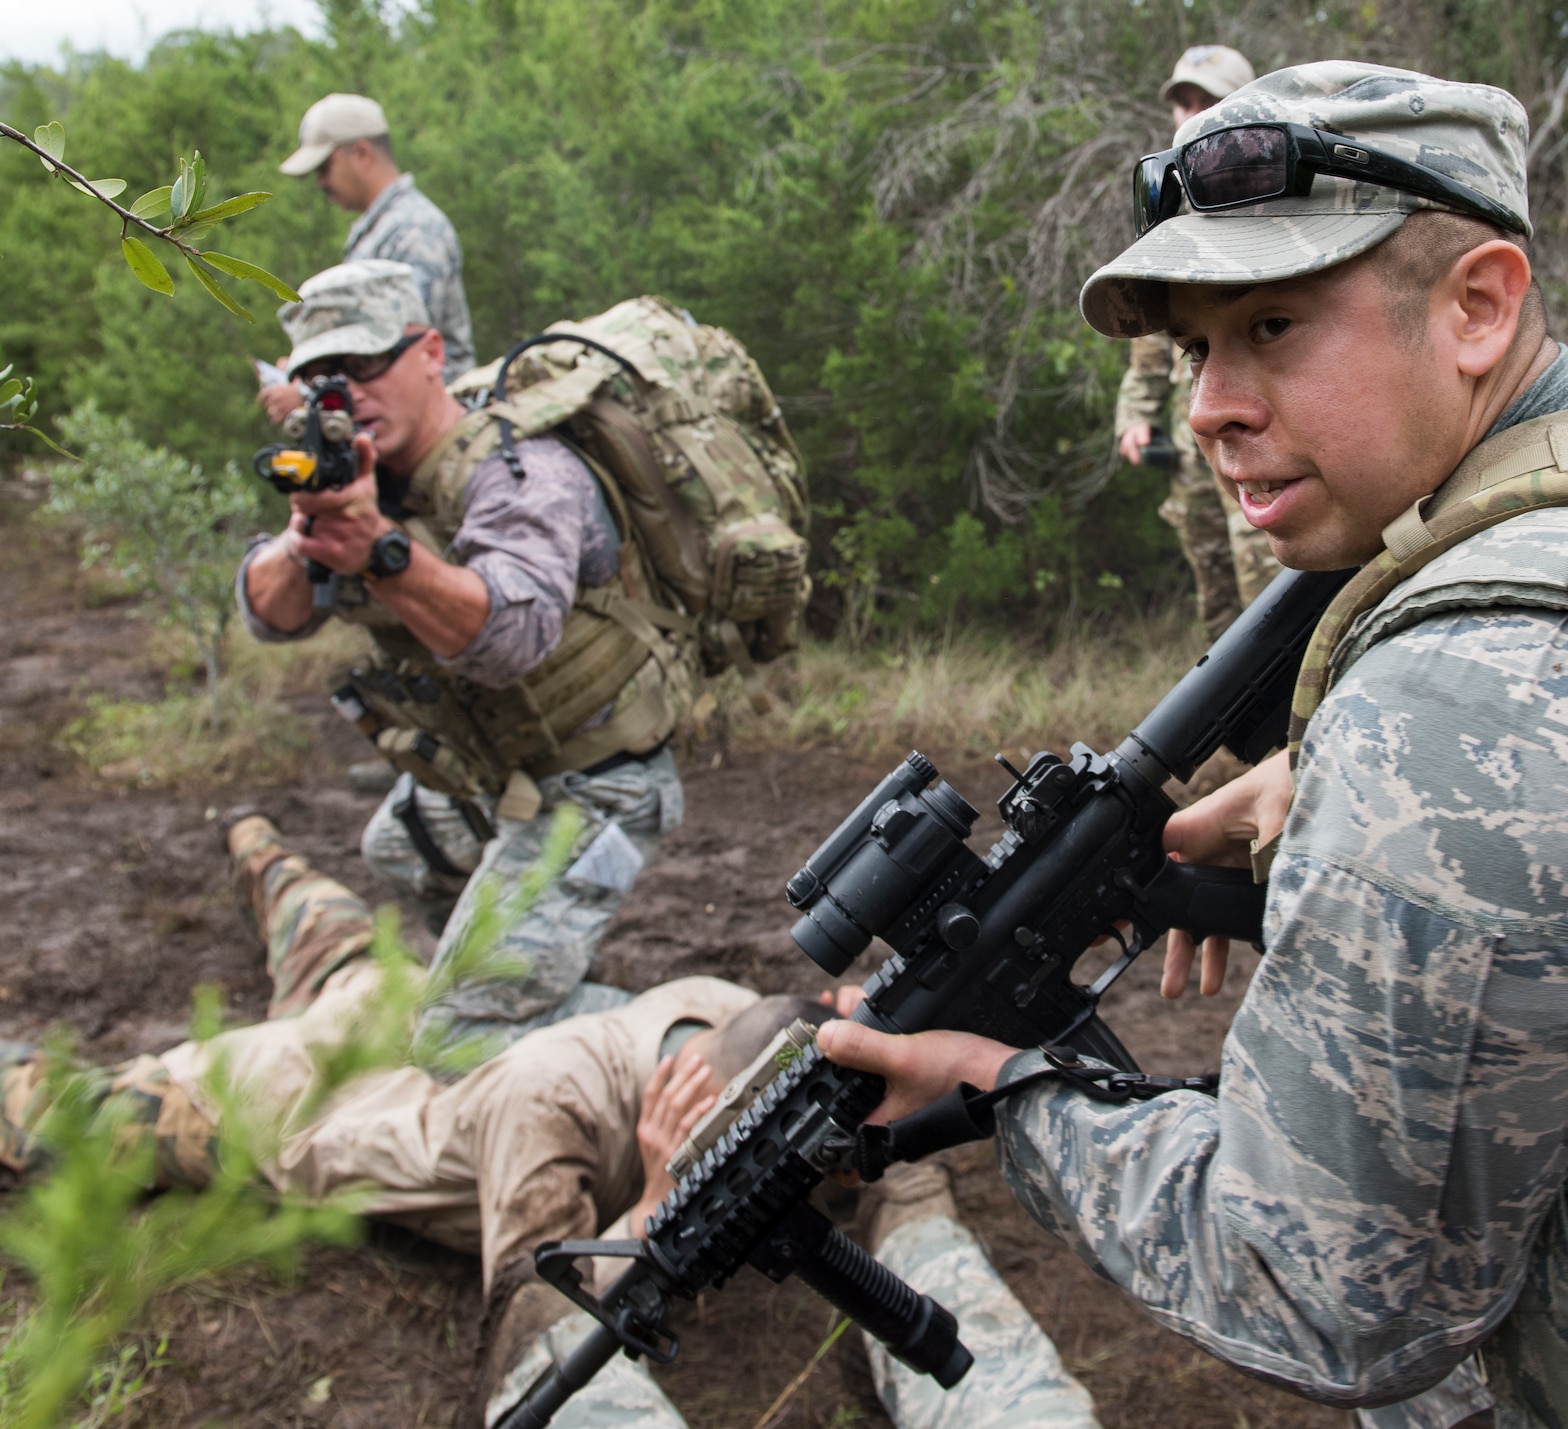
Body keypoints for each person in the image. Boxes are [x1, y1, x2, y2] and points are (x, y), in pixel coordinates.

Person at [819, 60, 1568, 1426]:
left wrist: (1000, 1091)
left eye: (1272, 326)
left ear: (1478, 308)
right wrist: (1321, 783)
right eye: (1199, 346)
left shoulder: (1447, 714)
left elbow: (1327, 1297)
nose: (1209, 405)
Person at [0, 813, 1103, 1429]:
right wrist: (660, 1202)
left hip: (425, 1031)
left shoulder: (793, 1055)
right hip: (304, 1098)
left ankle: (255, 837)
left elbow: (918, 1232)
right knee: (66, 1110)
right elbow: (533, 1304)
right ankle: (250, 836)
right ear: (675, 1110)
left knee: (336, 943)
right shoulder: (554, 1103)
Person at [238, 260, 698, 1061]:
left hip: (601, 783)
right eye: (320, 379)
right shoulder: (366, 475)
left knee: (454, 1035)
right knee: (401, 845)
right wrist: (306, 534)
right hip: (500, 767)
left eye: (362, 367)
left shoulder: (523, 469)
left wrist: (379, 554)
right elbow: (269, 615)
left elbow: (512, 638)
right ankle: (529, 980)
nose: (345, 394)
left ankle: (721, 1048)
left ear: (429, 352)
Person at [1113, 45, 1278, 637]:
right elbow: (1153, 334)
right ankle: (1228, 730)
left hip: (1263, 435)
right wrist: (1135, 414)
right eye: (1183, 102)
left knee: (1271, 596)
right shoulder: (1167, 208)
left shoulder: (1281, 193)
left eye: (1206, 101)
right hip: (1195, 446)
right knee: (1216, 601)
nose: (1190, 114)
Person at [260, 93, 474, 424]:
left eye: (324, 167)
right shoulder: (380, 230)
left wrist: (305, 393)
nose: (320, 182)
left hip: (434, 434)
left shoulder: (415, 230)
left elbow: (400, 348)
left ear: (361, 153)